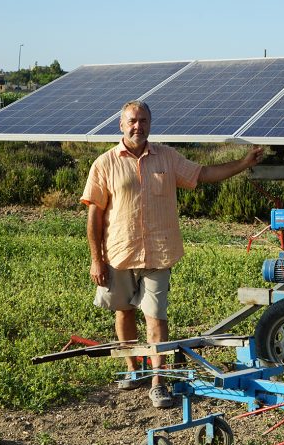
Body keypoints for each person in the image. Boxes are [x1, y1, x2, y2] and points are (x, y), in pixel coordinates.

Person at [81, 100, 264, 408]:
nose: (138, 126)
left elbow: (203, 173)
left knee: (156, 318)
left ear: (150, 125)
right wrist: (96, 258)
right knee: (124, 312)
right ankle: (132, 369)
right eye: (132, 121)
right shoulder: (104, 163)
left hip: (158, 253)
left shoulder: (166, 157)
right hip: (118, 253)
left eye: (143, 121)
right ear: (121, 126)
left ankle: (158, 381)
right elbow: (94, 217)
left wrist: (244, 163)